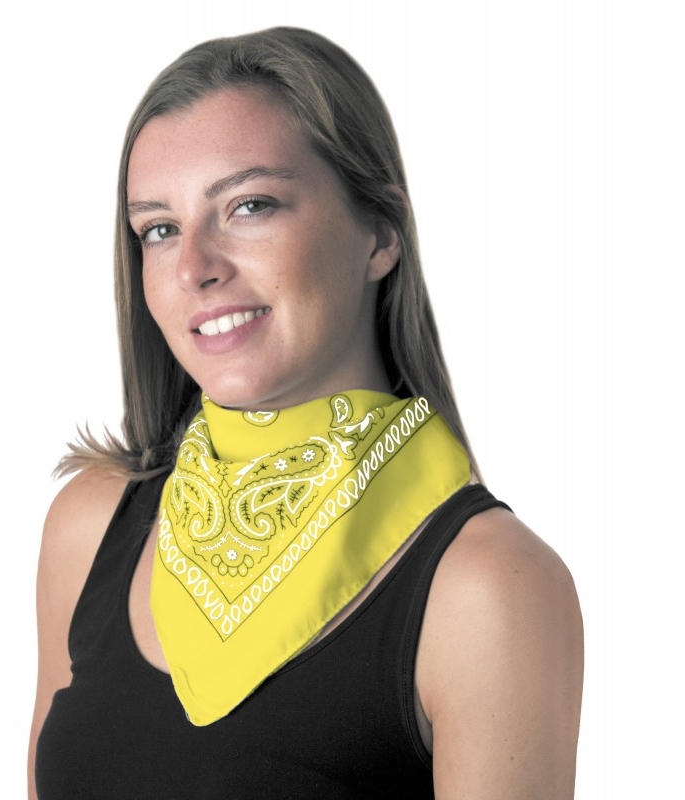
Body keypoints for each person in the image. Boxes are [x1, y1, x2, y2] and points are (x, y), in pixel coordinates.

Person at [28, 27, 583, 799]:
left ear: (380, 234)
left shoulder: (488, 588)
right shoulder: (89, 528)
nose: (193, 268)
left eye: (250, 206)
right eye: (159, 228)